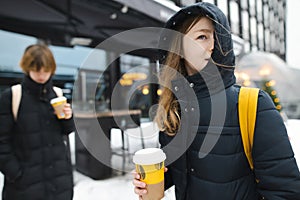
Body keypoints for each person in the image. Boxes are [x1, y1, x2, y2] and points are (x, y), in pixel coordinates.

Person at [133, 2, 300, 200]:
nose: (213, 46)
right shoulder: (175, 105)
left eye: (217, 37)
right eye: (202, 37)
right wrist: (152, 181)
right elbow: (182, 171)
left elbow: (286, 192)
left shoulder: (253, 105)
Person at [0, 44, 74, 200]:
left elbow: (66, 132)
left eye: (46, 70)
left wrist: (68, 118)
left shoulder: (57, 94)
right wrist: (16, 173)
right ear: (27, 68)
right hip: (24, 186)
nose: (42, 75)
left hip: (59, 182)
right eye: (36, 70)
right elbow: (1, 141)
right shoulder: (12, 96)